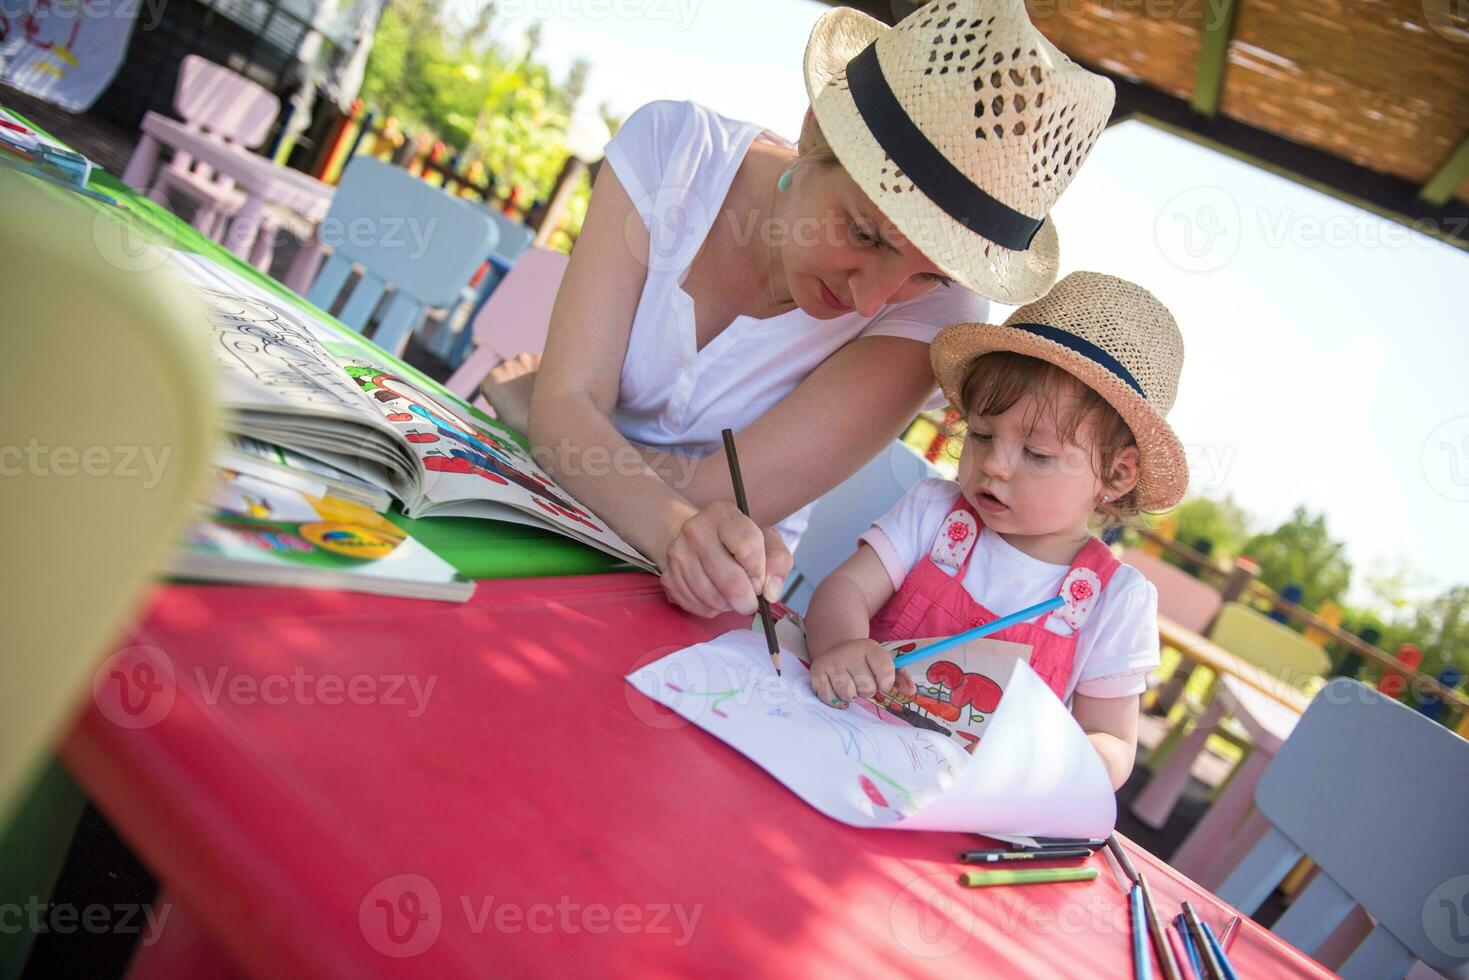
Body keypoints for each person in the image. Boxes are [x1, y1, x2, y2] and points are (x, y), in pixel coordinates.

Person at [483, 0, 1117, 620]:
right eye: (866, 233)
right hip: (517, 518)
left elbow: (702, 490)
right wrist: (563, 426)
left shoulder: (942, 316)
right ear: (816, 129)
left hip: (685, 604)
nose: (870, 301)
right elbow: (658, 483)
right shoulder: (672, 153)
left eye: (929, 273)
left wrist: (558, 423)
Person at [802, 273, 1189, 788]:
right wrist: (841, 644)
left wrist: (1061, 761)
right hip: (839, 744)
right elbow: (846, 588)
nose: (995, 466)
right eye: (982, 435)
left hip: (964, 805)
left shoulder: (1113, 599)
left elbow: (1113, 743)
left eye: (1037, 454)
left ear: (1116, 475)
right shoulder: (937, 514)